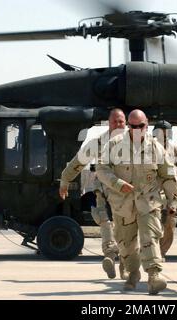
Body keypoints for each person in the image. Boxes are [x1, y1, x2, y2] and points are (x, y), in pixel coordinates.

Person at [96, 109, 177, 295]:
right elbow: (101, 168)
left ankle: (154, 276)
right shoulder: (114, 145)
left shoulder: (156, 147)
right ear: (128, 126)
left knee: (150, 238)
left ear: (146, 124)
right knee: (126, 244)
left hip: (148, 202)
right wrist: (117, 183)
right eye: (132, 126)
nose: (136, 129)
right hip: (123, 204)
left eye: (140, 126)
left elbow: (168, 176)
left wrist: (173, 202)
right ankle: (133, 273)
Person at [59, 108, 128, 280]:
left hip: (127, 191)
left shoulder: (134, 141)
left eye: (121, 121)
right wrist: (65, 181)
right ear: (108, 122)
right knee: (104, 220)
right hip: (103, 189)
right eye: (115, 121)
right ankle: (110, 255)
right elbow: (78, 163)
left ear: (125, 123)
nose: (118, 124)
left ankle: (126, 266)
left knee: (127, 227)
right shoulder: (97, 143)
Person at [152, 120, 177, 258]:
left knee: (170, 222)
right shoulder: (148, 147)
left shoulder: (175, 148)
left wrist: (169, 170)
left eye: (167, 132)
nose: (165, 135)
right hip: (153, 190)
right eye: (161, 132)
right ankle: (152, 253)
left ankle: (161, 252)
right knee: (153, 222)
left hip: (171, 192)